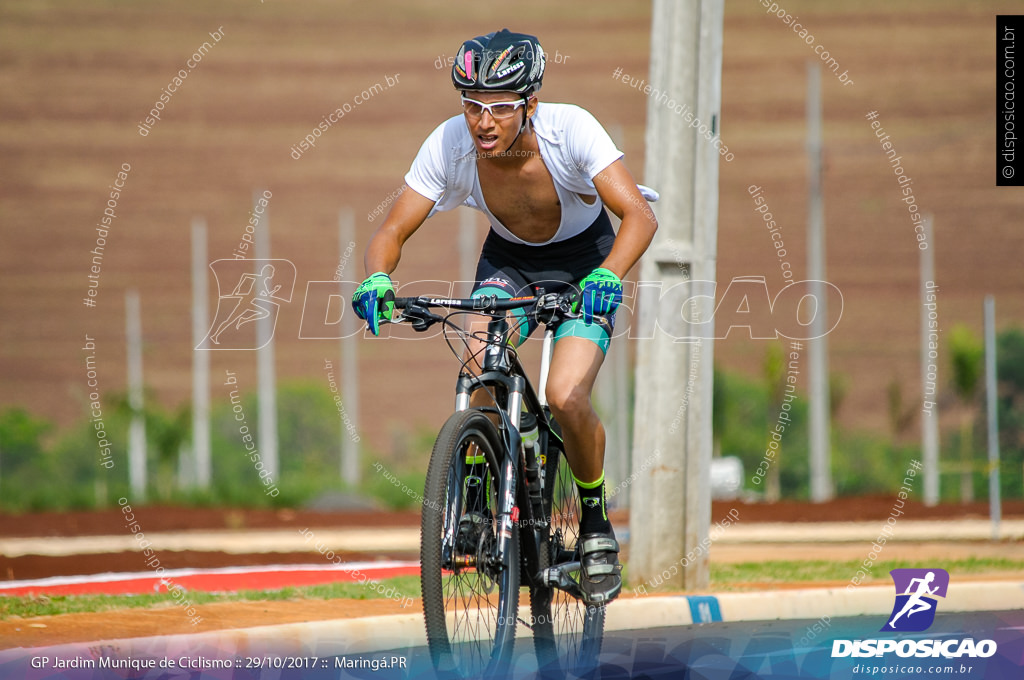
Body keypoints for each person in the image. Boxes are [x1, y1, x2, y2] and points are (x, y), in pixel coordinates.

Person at [352, 29, 658, 605]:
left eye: (498, 107)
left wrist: (608, 276)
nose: (483, 122)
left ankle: (594, 523)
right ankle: (472, 498)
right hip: (511, 261)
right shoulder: (449, 144)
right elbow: (391, 231)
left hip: (585, 263)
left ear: (530, 104)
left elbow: (638, 216)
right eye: (472, 105)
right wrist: (377, 277)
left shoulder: (572, 130)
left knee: (565, 395)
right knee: (477, 365)